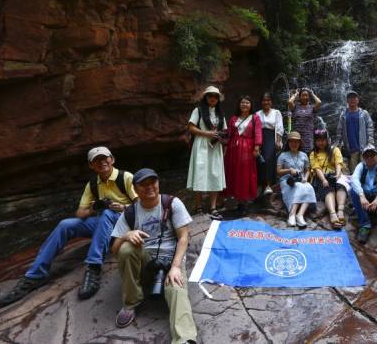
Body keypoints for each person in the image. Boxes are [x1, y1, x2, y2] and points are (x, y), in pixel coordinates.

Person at [0, 147, 137, 308]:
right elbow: (80, 213)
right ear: (91, 165)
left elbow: (143, 206)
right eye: (96, 160)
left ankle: (93, 268)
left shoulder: (125, 177)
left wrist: (122, 208)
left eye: (104, 158)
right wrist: (93, 208)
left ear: (112, 159)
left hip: (125, 223)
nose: (102, 162)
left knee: (106, 214)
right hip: (103, 224)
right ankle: (34, 276)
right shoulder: (92, 184)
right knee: (65, 224)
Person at [111, 168, 197, 344]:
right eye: (144, 184)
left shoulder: (172, 203)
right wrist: (127, 235)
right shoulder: (130, 212)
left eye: (153, 182)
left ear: (158, 183)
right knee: (126, 249)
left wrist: (175, 267)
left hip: (171, 258)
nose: (150, 187)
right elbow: (114, 249)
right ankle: (131, 302)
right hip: (145, 258)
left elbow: (183, 237)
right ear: (135, 188)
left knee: (176, 289)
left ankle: (185, 339)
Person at [187, 86, 226, 216]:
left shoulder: (220, 113)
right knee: (200, 173)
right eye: (210, 96)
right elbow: (191, 128)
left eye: (215, 96)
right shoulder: (198, 111)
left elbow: (225, 130)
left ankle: (213, 207)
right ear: (206, 97)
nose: (213, 98)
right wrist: (206, 133)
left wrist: (221, 137)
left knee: (215, 174)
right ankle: (198, 206)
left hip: (215, 147)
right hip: (201, 145)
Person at [223, 95, 263, 215]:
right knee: (234, 174)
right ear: (239, 105)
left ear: (251, 105)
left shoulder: (255, 118)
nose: (244, 104)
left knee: (245, 174)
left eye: (247, 103)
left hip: (247, 150)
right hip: (233, 151)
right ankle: (236, 200)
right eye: (242, 102)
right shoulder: (234, 119)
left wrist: (256, 147)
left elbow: (258, 133)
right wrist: (225, 148)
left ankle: (244, 202)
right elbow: (229, 135)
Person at [350, 144, 377, 246]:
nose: (369, 158)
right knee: (353, 191)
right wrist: (361, 195)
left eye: (372, 155)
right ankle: (365, 225)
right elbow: (354, 179)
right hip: (365, 195)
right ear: (363, 157)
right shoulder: (361, 166)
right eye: (366, 156)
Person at [310, 129, 351, 229]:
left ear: (327, 140)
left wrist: (338, 175)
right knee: (328, 189)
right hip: (321, 177)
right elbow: (316, 168)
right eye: (319, 140)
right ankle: (332, 214)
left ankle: (340, 211)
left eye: (323, 140)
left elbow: (338, 163)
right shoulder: (313, 154)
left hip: (335, 174)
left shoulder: (335, 150)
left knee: (341, 184)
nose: (321, 142)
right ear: (315, 141)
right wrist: (324, 180)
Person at [277, 131, 317, 227]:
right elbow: (278, 171)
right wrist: (289, 170)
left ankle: (300, 215)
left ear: (300, 143)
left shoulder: (304, 155)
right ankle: (292, 214)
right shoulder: (283, 155)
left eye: (296, 142)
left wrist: (305, 178)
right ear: (288, 143)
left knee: (309, 187)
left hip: (301, 180)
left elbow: (307, 170)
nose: (294, 144)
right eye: (292, 141)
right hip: (287, 181)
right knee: (299, 186)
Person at [336, 90, 375, 172]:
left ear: (358, 100)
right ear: (347, 100)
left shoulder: (364, 113)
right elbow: (339, 131)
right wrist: (338, 144)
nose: (352, 100)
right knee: (354, 174)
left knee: (367, 171)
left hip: (364, 148)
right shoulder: (343, 115)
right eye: (350, 98)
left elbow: (370, 128)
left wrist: (370, 143)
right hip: (351, 150)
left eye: (354, 98)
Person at [257, 92, 284, 196]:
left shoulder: (276, 112)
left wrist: (278, 140)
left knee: (268, 159)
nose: (266, 102)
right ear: (261, 102)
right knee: (259, 160)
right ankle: (260, 185)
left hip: (270, 137)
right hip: (259, 136)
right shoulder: (257, 114)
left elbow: (279, 126)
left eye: (268, 100)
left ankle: (268, 184)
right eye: (264, 100)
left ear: (271, 102)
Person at [288, 88, 322, 154]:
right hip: (297, 137)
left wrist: (312, 93)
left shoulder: (312, 108)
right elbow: (290, 102)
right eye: (303, 95)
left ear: (309, 97)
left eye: (307, 95)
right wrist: (296, 93)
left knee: (308, 155)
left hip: (308, 137)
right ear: (300, 97)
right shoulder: (295, 107)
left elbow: (319, 102)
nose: (305, 97)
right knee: (296, 154)